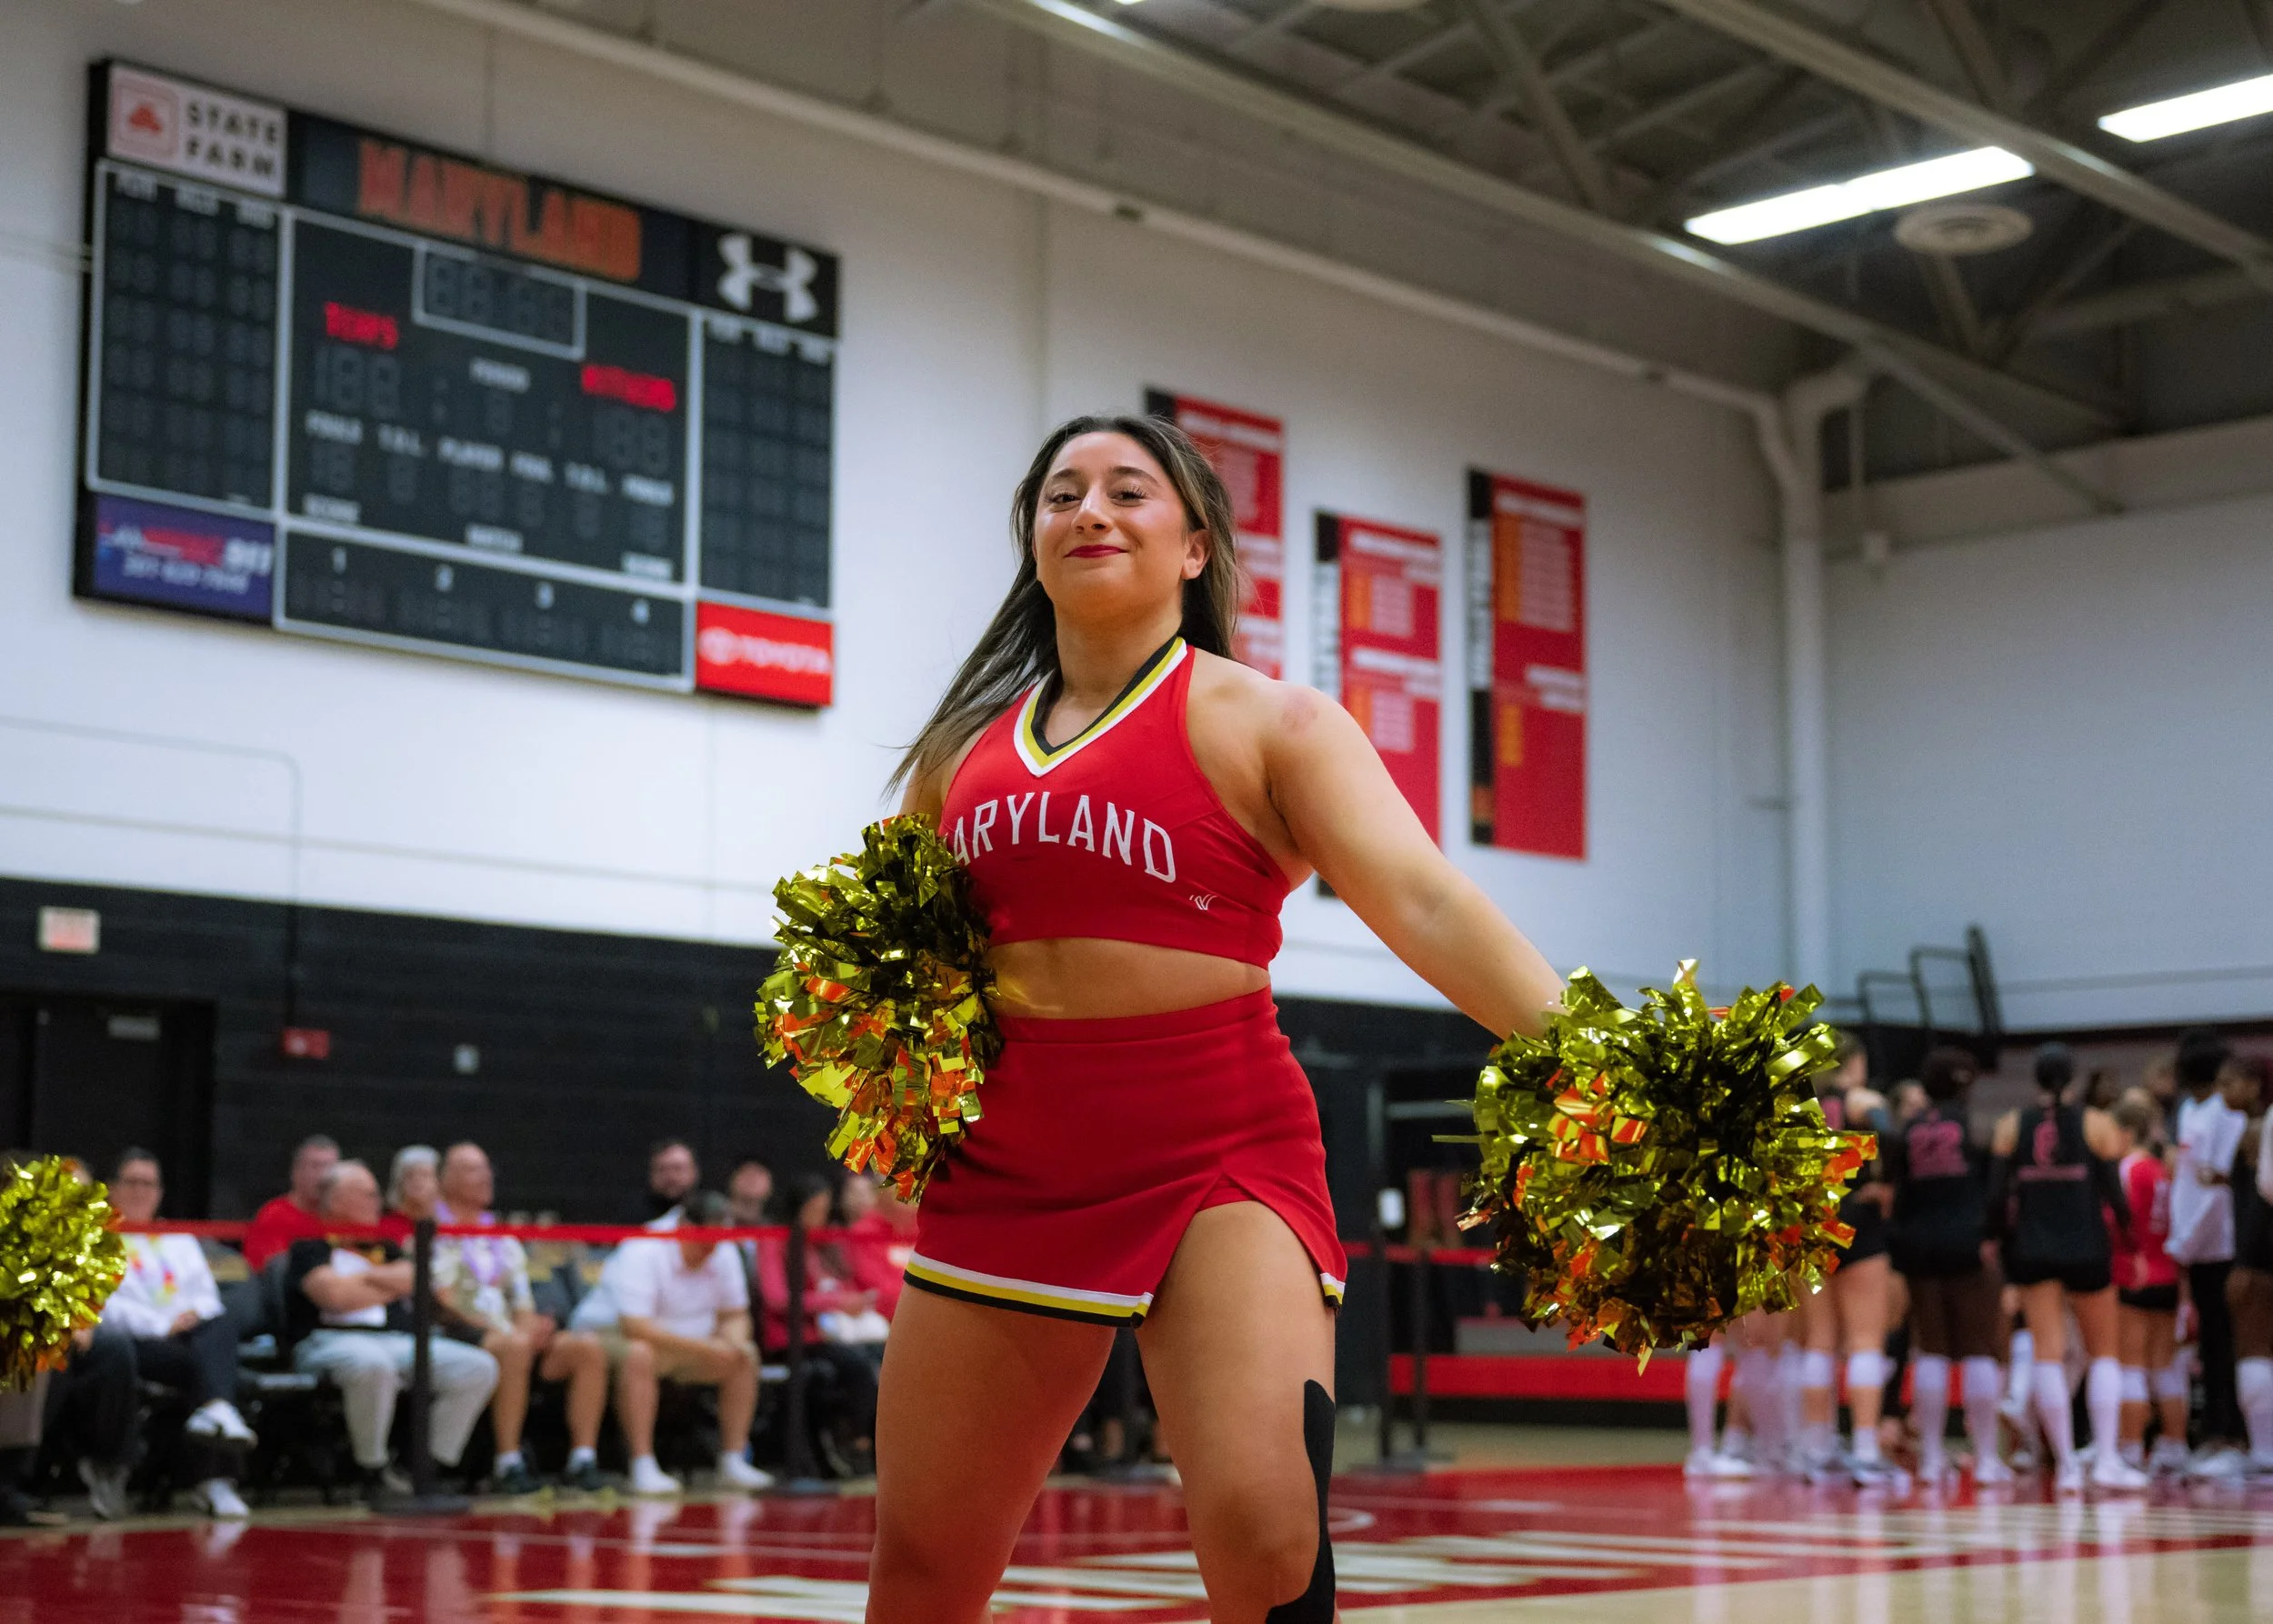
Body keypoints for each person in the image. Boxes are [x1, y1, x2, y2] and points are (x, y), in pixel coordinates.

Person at [872, 415, 1564, 1623]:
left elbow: (1426, 899)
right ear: (1032, 540)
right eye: (1061, 495)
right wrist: (893, 1111)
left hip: (1219, 1148)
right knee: (927, 1564)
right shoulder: (958, 759)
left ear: (1195, 545)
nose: (1089, 510)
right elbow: (903, 969)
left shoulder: (1273, 722)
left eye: (1127, 491)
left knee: (1262, 1525)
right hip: (1009, 1163)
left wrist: (1609, 1058)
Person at [284, 1160, 499, 1498]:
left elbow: (414, 1277)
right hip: (327, 1342)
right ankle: (372, 1469)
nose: (377, 1202)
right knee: (371, 1364)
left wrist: (363, 1278)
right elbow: (334, 1297)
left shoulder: (384, 1245)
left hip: (396, 1340)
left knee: (478, 1366)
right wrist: (387, 1283)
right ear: (337, 1200)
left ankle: (424, 1465)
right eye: (367, 1195)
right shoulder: (310, 1245)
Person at [1988, 1043, 2143, 1493]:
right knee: (2104, 1353)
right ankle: (2108, 1460)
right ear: (2072, 1079)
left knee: (2047, 1353)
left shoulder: (2009, 1125)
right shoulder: (2098, 1124)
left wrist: (1995, 1243)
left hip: (2032, 1249)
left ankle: (2067, 1466)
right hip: (2088, 1248)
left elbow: (1997, 1198)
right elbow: (2115, 1197)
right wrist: (2131, 1246)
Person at [433, 1142, 609, 1494]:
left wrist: (529, 1328)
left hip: (508, 1333)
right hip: (459, 1333)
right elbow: (444, 1300)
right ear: (446, 1180)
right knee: (513, 1347)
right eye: (472, 1170)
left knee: (585, 1348)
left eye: (487, 1169)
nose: (485, 1177)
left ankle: (583, 1459)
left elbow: (523, 1300)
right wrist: (513, 1333)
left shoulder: (502, 1236)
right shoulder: (433, 1232)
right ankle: (508, 1462)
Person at [576, 1190, 771, 1496]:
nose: (712, 1250)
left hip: (685, 1343)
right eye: (705, 1242)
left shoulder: (723, 1248)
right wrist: (709, 1348)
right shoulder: (642, 1248)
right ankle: (642, 1464)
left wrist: (733, 1339)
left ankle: (733, 1460)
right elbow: (636, 1327)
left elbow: (735, 1314)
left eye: (717, 1241)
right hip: (616, 1335)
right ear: (686, 1228)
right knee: (639, 1355)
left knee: (744, 1355)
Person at [99, 1148, 255, 1518]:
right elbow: (105, 1306)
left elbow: (205, 1294)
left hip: (190, 1335)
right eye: (132, 1182)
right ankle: (215, 1477)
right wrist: (162, 1325)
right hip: (138, 1343)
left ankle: (214, 1417)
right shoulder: (95, 1237)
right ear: (112, 1188)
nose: (141, 1191)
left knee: (220, 1322)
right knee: (215, 1370)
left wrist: (191, 1315)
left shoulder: (177, 1236)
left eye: (149, 1184)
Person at [1884, 1048, 2008, 1488]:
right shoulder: (1976, 1128)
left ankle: (1933, 1457)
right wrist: (1990, 1236)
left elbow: (1898, 1197)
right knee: (1978, 1349)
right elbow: (1995, 1195)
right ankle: (1988, 1457)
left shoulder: (1910, 1130)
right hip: (1967, 1245)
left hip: (1919, 1246)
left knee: (1932, 1349)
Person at [1796, 1035, 1897, 1483]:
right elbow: (1892, 1133)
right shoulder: (1860, 1100)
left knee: (1819, 1338)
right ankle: (1865, 1448)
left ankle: (1817, 1451)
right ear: (1852, 1062)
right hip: (1856, 1216)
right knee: (1864, 1340)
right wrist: (1881, 1179)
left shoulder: (1799, 1103)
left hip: (1810, 1220)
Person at [2168, 1028, 2247, 1471]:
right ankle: (2216, 1431)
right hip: (2192, 1246)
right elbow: (2188, 1183)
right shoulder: (2188, 1110)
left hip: (2218, 1244)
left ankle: (2230, 1434)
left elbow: (2217, 1189)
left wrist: (2186, 1241)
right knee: (2208, 1346)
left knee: (2224, 1343)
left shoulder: (2223, 1114)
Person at [2106, 1093, 2187, 1473]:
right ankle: (2174, 1443)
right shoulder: (2163, 1169)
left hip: (2133, 1275)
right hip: (2168, 1274)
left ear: (2126, 1131)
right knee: (2165, 1367)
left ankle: (2131, 1448)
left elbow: (2117, 1222)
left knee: (2132, 1367)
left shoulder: (2127, 1169)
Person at [2208, 1056, 2273, 1480]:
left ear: (2255, 1084)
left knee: (2254, 1353)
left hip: (2259, 1259)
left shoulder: (2258, 1130)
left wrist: (2244, 1262)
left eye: (2229, 1082)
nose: (2222, 1092)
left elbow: (2260, 1198)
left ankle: (2264, 1452)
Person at [242, 1134, 340, 1271]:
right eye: (315, 1166)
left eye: (330, 1167)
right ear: (296, 1172)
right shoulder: (275, 1215)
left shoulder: (343, 1215)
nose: (323, 1175)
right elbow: (271, 1270)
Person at [379, 1145, 440, 1244]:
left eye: (425, 1175)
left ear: (437, 1182)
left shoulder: (447, 1222)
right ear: (399, 1182)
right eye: (409, 1176)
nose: (417, 1181)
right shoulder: (385, 1226)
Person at [638, 1138, 701, 1224]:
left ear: (694, 1172)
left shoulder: (714, 1218)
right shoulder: (631, 1221)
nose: (671, 1177)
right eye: (662, 1170)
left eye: (677, 1169)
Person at [726, 1157, 775, 1229]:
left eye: (759, 1171)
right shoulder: (712, 1224)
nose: (751, 1177)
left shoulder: (776, 1230)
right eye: (744, 1170)